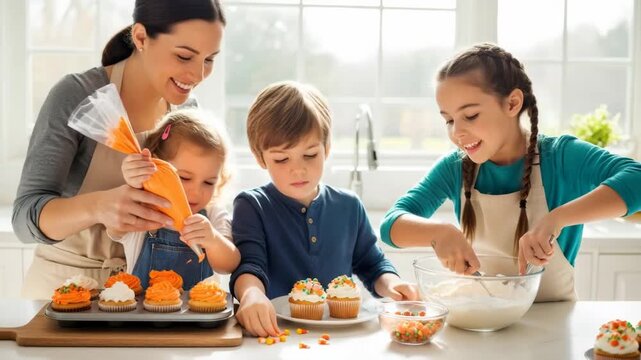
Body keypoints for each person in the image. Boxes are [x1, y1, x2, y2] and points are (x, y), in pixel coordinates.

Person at [380, 43, 641, 302]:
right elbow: (391, 225)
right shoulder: (454, 168)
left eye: (470, 115)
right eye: (449, 120)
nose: (456, 132)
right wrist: (438, 233)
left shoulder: (561, 157)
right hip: (482, 321)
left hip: (554, 328)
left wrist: (556, 219)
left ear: (512, 103)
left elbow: (636, 177)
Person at [12, 0, 226, 299]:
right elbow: (24, 218)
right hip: (63, 289)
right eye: (184, 56)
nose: (198, 74)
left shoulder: (186, 111)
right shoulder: (77, 95)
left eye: (209, 59)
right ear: (140, 38)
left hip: (143, 294)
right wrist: (98, 206)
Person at [230, 81, 418, 337]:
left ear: (327, 148)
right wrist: (251, 294)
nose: (298, 169)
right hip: (276, 334)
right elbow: (250, 265)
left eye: (310, 154)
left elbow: (372, 263)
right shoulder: (252, 206)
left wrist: (393, 284)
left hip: (341, 337)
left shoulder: (349, 206)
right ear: (260, 157)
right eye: (282, 159)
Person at [107, 109, 239, 290]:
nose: (196, 191)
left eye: (209, 182)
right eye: (184, 178)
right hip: (142, 316)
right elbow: (115, 227)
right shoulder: (143, 206)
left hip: (199, 315)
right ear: (157, 167)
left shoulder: (213, 213)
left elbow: (229, 264)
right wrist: (136, 179)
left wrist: (213, 240)